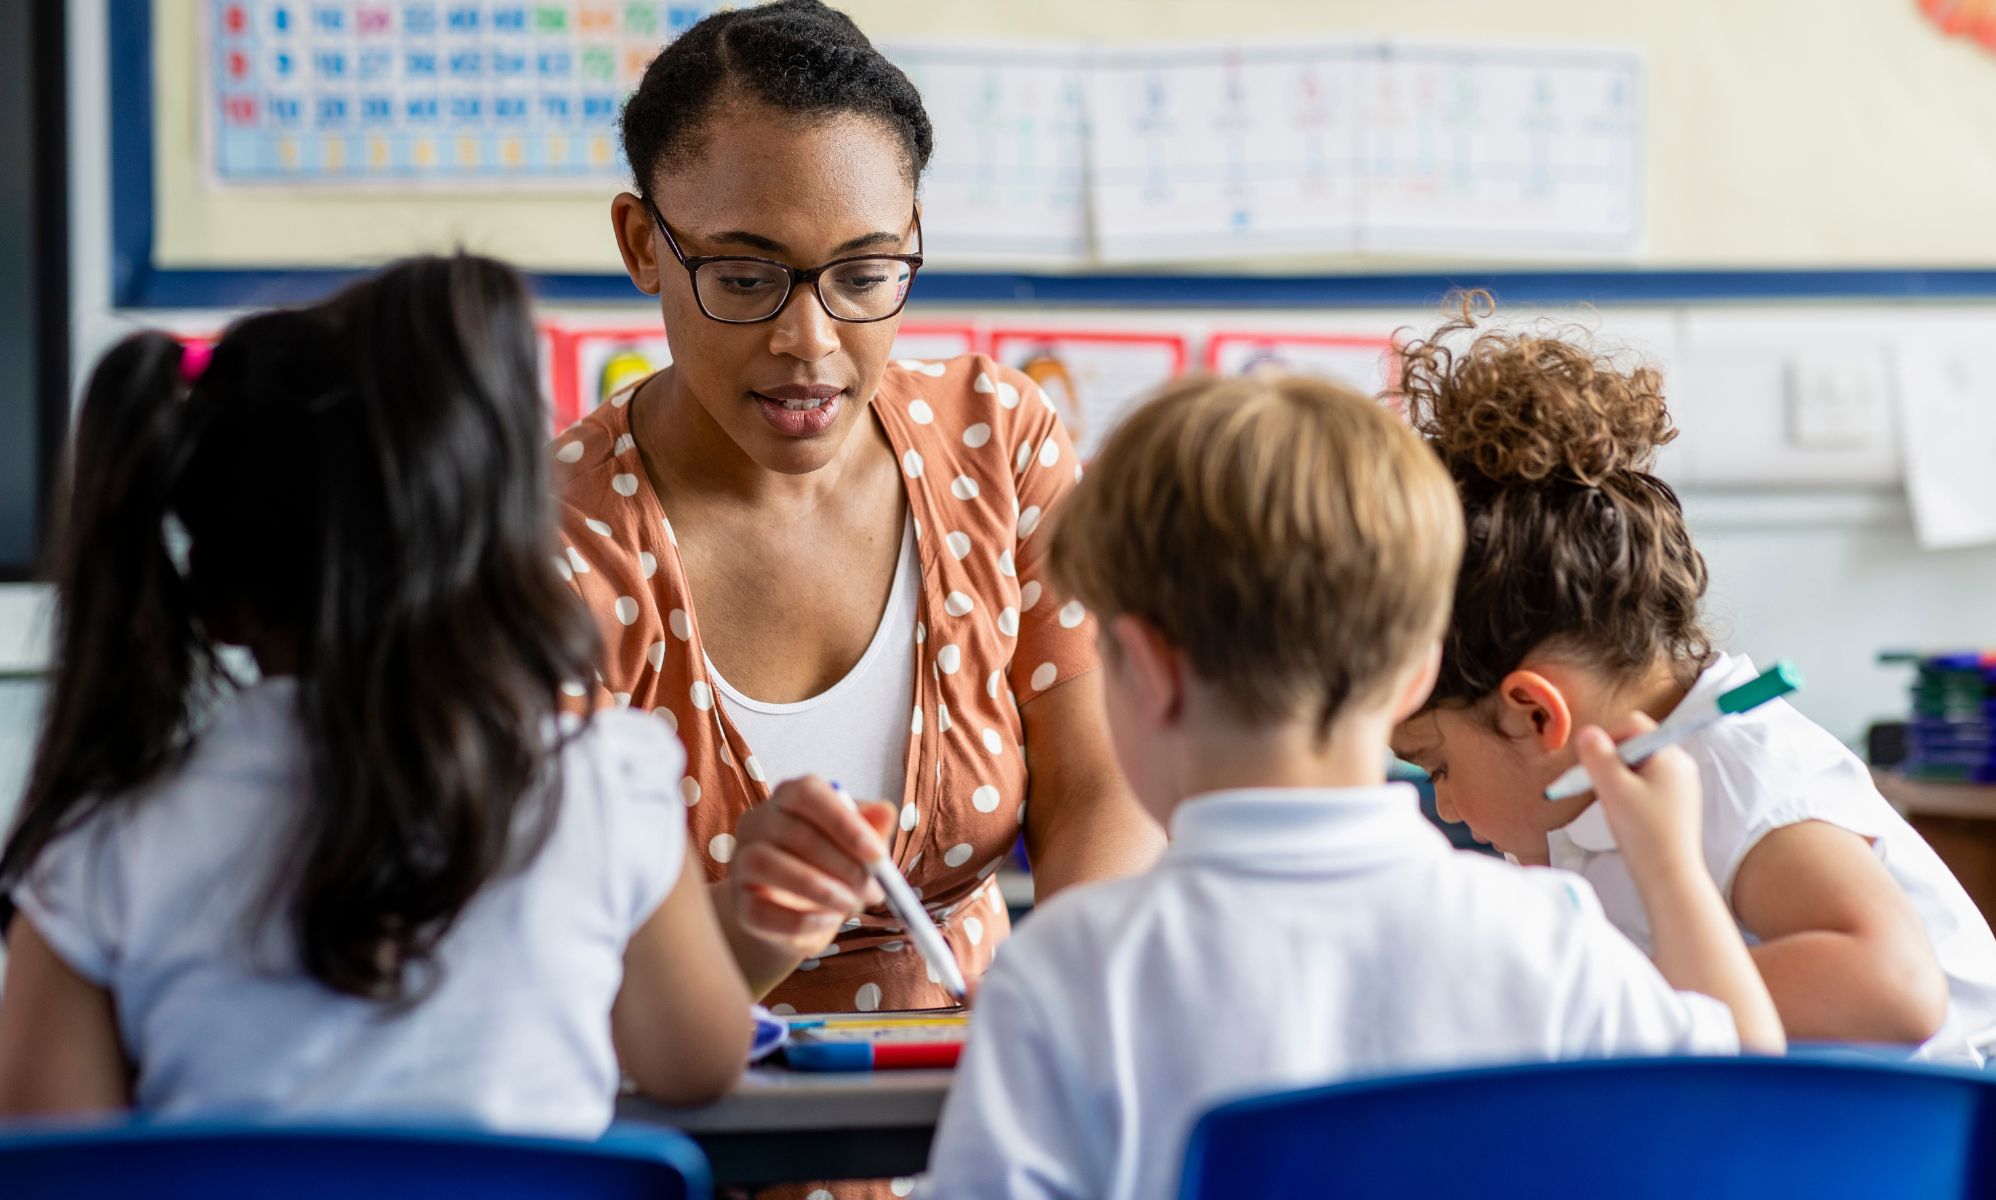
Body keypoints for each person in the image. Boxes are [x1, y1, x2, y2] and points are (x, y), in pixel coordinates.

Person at [925, 373, 1782, 1200]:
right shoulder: (1546, 939)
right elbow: (1748, 1108)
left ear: (1146, 670)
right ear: (1417, 674)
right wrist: (1669, 866)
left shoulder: (1064, 976)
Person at [0, 255, 751, 1134]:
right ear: (506, 561)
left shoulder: (103, 845)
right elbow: (695, 1060)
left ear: (216, 593)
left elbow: (56, 1158)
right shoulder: (601, 784)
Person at [557, 0, 1160, 1021]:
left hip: (978, 1090)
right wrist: (749, 927)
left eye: (866, 274)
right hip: (681, 1100)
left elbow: (1099, 786)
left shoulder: (997, 441)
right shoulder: (555, 540)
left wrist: (1072, 1014)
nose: (811, 341)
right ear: (643, 243)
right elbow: (551, 957)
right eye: (744, 277)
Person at [1389, 295, 1996, 1063]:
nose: (1444, 805)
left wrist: (1619, 999)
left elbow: (1896, 991)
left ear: (1536, 715)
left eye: (1438, 767)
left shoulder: (1742, 771)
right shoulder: (1581, 808)